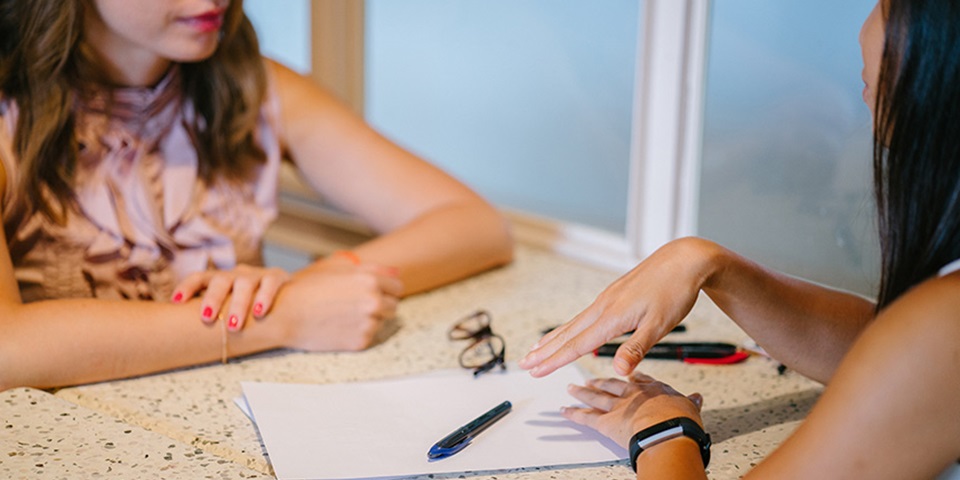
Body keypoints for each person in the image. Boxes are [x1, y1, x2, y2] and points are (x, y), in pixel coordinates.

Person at [520, 0, 960, 478]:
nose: (865, 25)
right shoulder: (935, 327)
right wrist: (708, 263)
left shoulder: (946, 323)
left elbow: (923, 352)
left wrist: (664, 433)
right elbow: (897, 354)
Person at [0, 0, 513, 392]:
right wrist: (279, 317)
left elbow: (474, 225)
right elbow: (8, 348)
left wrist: (298, 289)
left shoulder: (257, 85)